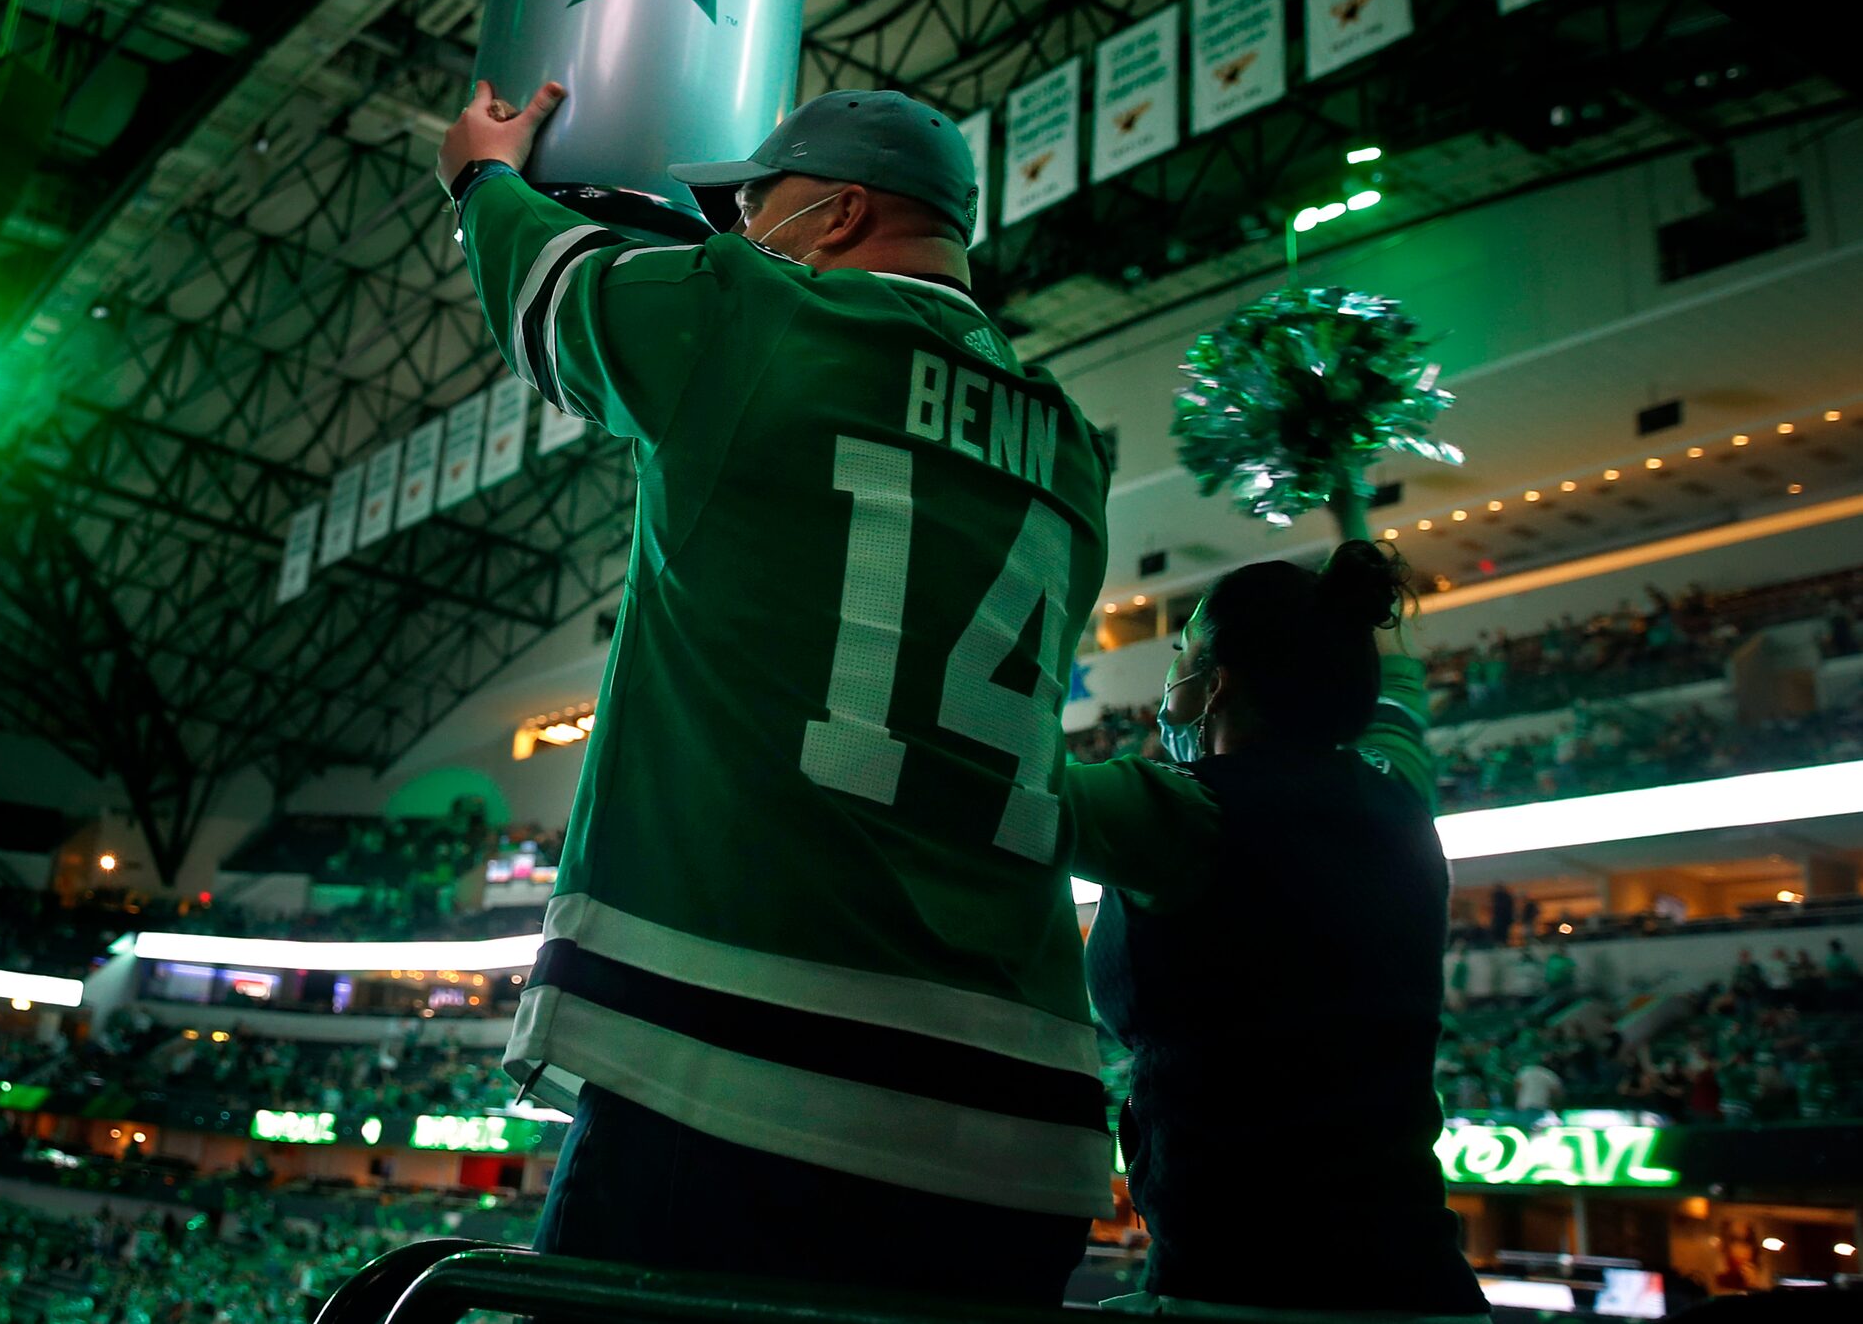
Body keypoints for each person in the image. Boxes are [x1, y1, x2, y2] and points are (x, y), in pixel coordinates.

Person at [438, 82, 1114, 1303]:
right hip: (1031, 1131)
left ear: (841, 212)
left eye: (758, 205)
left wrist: (482, 176)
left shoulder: (756, 314)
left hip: (751, 1071)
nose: (741, 232)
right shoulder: (1067, 438)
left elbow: (554, 291)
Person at [1063, 541, 1484, 1317]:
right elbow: (1397, 693)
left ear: (1214, 681)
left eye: (1181, 649)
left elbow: (987, 785)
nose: (1168, 675)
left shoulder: (1181, 811)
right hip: (1430, 1291)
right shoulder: (1402, 797)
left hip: (1246, 1285)